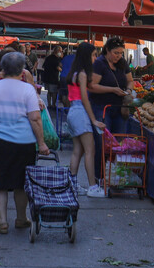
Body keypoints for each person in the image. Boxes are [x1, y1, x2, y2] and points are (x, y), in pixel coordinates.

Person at [0, 51, 50, 234]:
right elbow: (35, 118)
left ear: (2, 68)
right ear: (22, 70)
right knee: (20, 183)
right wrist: (41, 143)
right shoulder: (27, 90)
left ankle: (2, 221)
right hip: (22, 143)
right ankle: (20, 218)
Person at [88, 37, 133, 182]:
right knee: (102, 143)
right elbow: (92, 86)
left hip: (119, 108)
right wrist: (112, 90)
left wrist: (129, 91)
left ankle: (115, 176)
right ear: (107, 50)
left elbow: (130, 80)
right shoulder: (99, 64)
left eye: (121, 53)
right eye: (115, 53)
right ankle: (100, 176)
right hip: (101, 107)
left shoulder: (122, 63)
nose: (118, 56)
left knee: (119, 143)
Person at [66, 42, 106, 197]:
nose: (95, 58)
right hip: (80, 112)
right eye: (94, 54)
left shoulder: (74, 73)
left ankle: (73, 185)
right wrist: (94, 120)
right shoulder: (82, 74)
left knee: (78, 150)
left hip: (73, 112)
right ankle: (93, 186)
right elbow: (84, 99)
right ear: (87, 56)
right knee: (90, 150)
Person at [42, 45, 63, 110]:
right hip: (53, 78)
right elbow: (58, 68)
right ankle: (53, 105)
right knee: (54, 92)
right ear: (57, 51)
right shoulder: (56, 59)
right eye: (60, 51)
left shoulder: (48, 58)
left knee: (49, 92)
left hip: (47, 77)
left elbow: (43, 66)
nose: (61, 52)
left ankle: (49, 104)